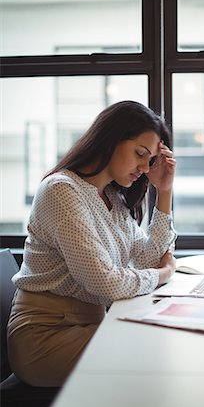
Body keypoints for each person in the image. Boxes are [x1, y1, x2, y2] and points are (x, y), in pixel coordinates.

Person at [7, 100, 177, 387]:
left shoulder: (113, 198)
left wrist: (164, 190)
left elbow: (148, 257)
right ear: (111, 138)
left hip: (91, 324)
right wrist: (164, 274)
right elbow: (107, 283)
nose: (143, 167)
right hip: (47, 338)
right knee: (156, 350)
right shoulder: (61, 191)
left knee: (162, 342)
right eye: (139, 153)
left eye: (150, 160)